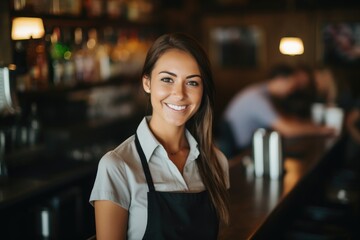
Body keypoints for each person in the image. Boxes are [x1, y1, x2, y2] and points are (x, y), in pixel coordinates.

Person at [89, 33, 230, 240]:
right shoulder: (117, 166)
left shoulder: (216, 161)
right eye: (167, 79)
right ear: (147, 83)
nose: (179, 94)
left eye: (192, 83)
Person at [218, 64, 334, 159]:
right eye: (291, 84)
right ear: (281, 80)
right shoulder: (258, 98)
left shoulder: (264, 92)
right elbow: (287, 129)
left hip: (248, 146)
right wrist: (320, 130)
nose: (292, 90)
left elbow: (284, 119)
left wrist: (307, 124)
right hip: (240, 151)